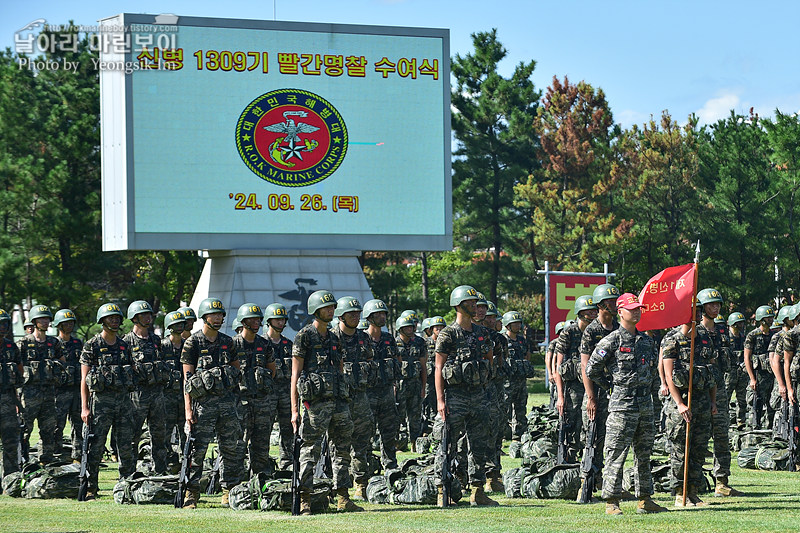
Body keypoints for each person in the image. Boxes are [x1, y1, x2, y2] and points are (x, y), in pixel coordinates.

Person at [586, 292, 667, 515]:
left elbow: (652, 372)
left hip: (644, 404)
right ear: (620, 312)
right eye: (632, 308)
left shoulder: (647, 341)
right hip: (622, 406)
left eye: (639, 308)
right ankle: (612, 501)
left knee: (644, 454)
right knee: (615, 454)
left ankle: (645, 499)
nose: (637, 311)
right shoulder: (611, 341)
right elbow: (591, 369)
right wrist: (611, 387)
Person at [290, 290, 362, 515]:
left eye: (332, 307)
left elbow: (339, 368)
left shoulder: (334, 337)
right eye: (327, 307)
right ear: (315, 310)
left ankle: (343, 497)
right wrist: (295, 410)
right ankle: (305, 499)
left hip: (338, 402)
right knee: (310, 450)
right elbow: (295, 374)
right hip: (315, 405)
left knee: (342, 450)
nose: (331, 310)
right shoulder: (304, 335)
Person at [434, 285, 498, 507]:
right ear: (459, 306)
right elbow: (438, 368)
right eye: (471, 303)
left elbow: (490, 360)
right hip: (455, 397)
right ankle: (444, 489)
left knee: (478, 445)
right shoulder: (448, 334)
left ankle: (477, 491)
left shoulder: (482, 334)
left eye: (476, 304)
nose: (475, 307)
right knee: (447, 444)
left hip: (479, 396)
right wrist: (440, 400)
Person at [180, 298, 244, 509]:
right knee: (197, 450)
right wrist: (188, 410)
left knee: (230, 449)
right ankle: (191, 492)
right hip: (202, 406)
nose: (218, 318)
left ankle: (229, 490)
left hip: (227, 404)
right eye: (213, 315)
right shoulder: (193, 343)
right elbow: (187, 380)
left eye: (220, 315)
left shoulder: (228, 342)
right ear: (204, 317)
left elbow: (237, 371)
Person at [662, 299, 718, 507]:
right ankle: (679, 492)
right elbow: (668, 375)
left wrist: (713, 401)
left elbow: (712, 372)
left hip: (702, 400)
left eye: (698, 311)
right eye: (692, 311)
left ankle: (693, 491)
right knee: (680, 449)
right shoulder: (672, 338)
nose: (696, 314)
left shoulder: (705, 337)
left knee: (699, 447)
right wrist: (679, 403)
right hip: (682, 401)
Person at [79, 303, 136, 500]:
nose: (114, 321)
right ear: (102, 321)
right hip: (100, 403)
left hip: (123, 402)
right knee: (95, 445)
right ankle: (91, 487)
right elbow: (84, 380)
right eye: (110, 318)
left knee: (125, 445)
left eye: (117, 318)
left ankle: (127, 485)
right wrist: (84, 408)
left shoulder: (124, 345)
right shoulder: (92, 345)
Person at [697, 288, 741, 497]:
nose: (715, 308)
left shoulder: (723, 332)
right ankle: (693, 482)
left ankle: (722, 481)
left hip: (720, 389)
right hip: (700, 390)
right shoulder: (694, 332)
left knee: (722, 435)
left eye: (717, 305)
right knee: (699, 437)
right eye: (710, 305)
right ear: (702, 308)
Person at [579, 283, 620, 495]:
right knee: (593, 437)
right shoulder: (591, 331)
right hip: (597, 391)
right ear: (601, 305)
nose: (615, 305)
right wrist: (591, 397)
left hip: (616, 392)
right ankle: (587, 481)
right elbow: (585, 366)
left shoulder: (619, 328)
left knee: (613, 439)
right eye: (611, 302)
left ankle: (608, 482)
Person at [331, 296, 374, 500]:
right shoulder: (331, 338)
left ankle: (361, 484)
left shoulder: (364, 338)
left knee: (362, 444)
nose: (356, 317)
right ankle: (339, 488)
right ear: (341, 316)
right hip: (339, 400)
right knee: (339, 446)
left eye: (357, 313)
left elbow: (369, 361)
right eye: (351, 314)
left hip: (361, 399)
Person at [123, 300, 168, 475]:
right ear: (134, 318)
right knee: (133, 437)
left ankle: (160, 472)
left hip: (157, 394)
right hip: (137, 395)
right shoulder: (126, 342)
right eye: (143, 315)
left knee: (159, 436)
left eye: (149, 314)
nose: (148, 318)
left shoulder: (157, 341)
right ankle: (129, 473)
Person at [232, 303, 276, 478]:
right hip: (240, 402)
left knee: (262, 443)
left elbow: (272, 370)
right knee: (237, 443)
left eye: (258, 319)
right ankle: (234, 483)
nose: (257, 322)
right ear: (243, 322)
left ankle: (261, 479)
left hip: (262, 402)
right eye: (252, 319)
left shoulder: (264, 344)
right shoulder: (232, 344)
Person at [18, 305, 65, 464]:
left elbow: (62, 362)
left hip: (49, 395)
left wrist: (55, 367)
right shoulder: (23, 343)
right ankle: (22, 461)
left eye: (47, 319)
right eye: (41, 319)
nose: (45, 322)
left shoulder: (54, 342)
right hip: (28, 395)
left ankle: (46, 461)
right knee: (24, 430)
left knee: (48, 430)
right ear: (34, 321)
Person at [555, 295, 597, 463]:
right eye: (589, 312)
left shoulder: (596, 332)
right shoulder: (569, 332)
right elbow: (559, 366)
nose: (593, 315)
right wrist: (560, 396)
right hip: (572, 386)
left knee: (590, 423)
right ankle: (571, 458)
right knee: (572, 422)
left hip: (592, 385)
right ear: (580, 313)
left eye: (595, 311)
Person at [363, 298, 400, 471]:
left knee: (389, 430)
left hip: (386, 392)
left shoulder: (388, 338)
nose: (382, 317)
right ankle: (367, 467)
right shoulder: (361, 339)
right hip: (367, 393)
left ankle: (390, 466)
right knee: (365, 432)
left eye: (384, 313)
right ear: (369, 317)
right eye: (378, 314)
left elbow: (396, 360)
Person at [263, 303, 294, 470]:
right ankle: (263, 464)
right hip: (267, 394)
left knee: (287, 429)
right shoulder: (262, 344)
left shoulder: (289, 345)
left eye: (283, 319)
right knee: (263, 430)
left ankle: (287, 463)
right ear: (269, 321)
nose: (281, 322)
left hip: (286, 394)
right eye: (277, 319)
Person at [53, 308, 84, 462]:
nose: (69, 326)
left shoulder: (78, 343)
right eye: (66, 323)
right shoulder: (53, 344)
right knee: (57, 425)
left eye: (71, 323)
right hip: (60, 391)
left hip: (77, 390)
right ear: (59, 325)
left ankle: (78, 457)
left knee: (79, 426)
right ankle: (56, 455)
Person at [483, 301, 507, 493]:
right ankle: (464, 477)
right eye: (488, 316)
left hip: (495, 390)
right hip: (475, 390)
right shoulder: (473, 335)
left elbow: (501, 364)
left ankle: (493, 475)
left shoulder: (499, 339)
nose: (491, 320)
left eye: (494, 317)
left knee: (495, 432)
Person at [395, 314, 427, 453]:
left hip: (415, 385)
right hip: (400, 386)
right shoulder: (394, 343)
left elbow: (423, 367)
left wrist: (423, 387)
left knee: (415, 416)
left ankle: (415, 442)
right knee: (398, 416)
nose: (410, 329)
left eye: (411, 327)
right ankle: (400, 445)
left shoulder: (419, 342)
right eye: (406, 327)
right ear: (400, 328)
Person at [161, 310, 187, 467]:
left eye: (181, 324)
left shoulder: (188, 345)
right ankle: (167, 462)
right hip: (167, 396)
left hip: (184, 396)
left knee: (186, 432)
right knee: (165, 432)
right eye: (176, 324)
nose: (179, 327)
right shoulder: (162, 346)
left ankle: (186, 461)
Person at [502, 309, 532, 441]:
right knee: (505, 409)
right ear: (508, 325)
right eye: (515, 323)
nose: (518, 326)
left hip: (521, 380)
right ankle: (504, 434)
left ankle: (519, 435)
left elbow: (527, 355)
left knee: (521, 407)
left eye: (519, 323)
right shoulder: (503, 339)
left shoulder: (522, 340)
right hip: (507, 381)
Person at [744, 305, 776, 429]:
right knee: (756, 403)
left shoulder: (774, 334)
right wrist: (752, 378)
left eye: (771, 317)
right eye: (768, 318)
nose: (771, 320)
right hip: (758, 374)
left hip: (771, 374)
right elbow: (747, 358)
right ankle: (755, 429)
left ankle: (770, 428)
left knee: (771, 403)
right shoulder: (752, 335)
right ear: (761, 319)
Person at [0, 308, 23, 477]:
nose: (3, 327)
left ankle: (10, 477)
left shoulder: (11, 346)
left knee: (10, 439)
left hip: (8, 399)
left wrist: (17, 402)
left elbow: (20, 373)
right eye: (0, 323)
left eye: (6, 323)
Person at [726, 312, 749, 428]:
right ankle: (725, 420)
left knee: (742, 398)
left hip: (742, 373)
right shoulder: (725, 338)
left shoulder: (743, 338)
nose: (741, 325)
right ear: (733, 324)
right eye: (739, 323)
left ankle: (741, 420)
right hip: (729, 373)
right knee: (726, 397)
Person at [545, 321, 566, 411]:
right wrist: (551, 373)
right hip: (556, 372)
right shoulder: (554, 343)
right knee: (555, 394)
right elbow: (549, 358)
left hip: (564, 372)